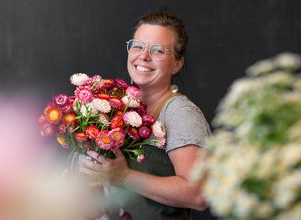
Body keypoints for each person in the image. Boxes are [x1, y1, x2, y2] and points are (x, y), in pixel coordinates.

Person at [80, 12, 212, 220]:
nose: (144, 56)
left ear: (177, 64)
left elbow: (198, 195)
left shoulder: (180, 113)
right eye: (138, 46)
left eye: (158, 50)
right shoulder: (117, 110)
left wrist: (124, 176)